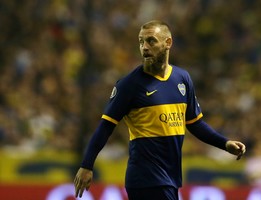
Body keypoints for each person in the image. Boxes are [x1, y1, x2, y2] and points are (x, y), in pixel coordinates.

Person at [74, 20, 246, 200]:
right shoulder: (129, 85)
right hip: (146, 178)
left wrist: (225, 144)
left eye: (151, 41)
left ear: (168, 43)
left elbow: (195, 124)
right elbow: (105, 127)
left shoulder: (182, 79)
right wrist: (87, 165)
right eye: (141, 42)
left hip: (170, 178)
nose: (144, 47)